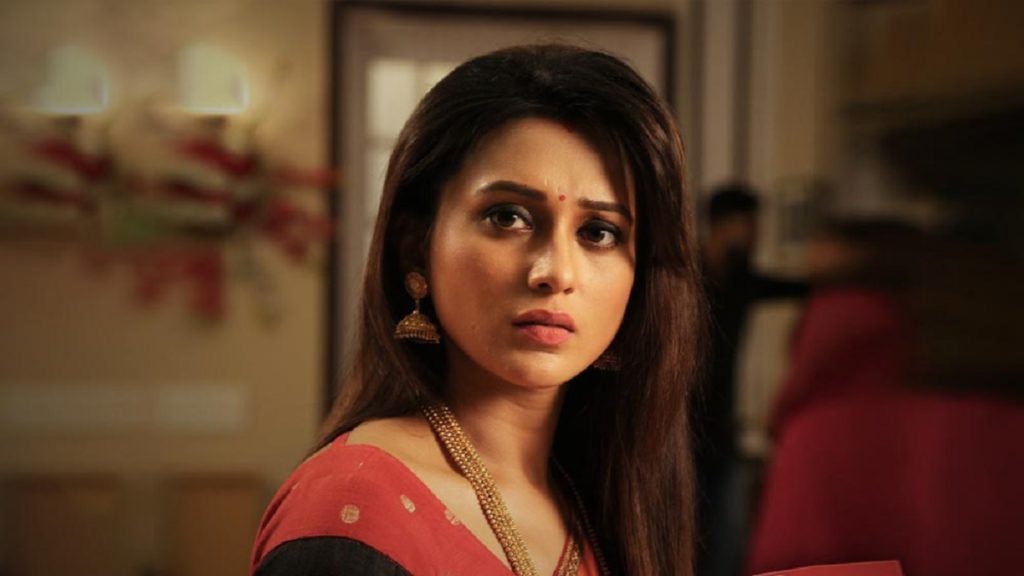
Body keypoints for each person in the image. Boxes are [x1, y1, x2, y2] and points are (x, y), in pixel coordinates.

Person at [250, 44, 706, 576]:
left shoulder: (599, 501)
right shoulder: (355, 508)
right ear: (415, 246)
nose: (556, 272)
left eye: (599, 233)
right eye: (507, 217)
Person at [692, 184, 806, 576]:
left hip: (722, 427)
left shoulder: (742, 281)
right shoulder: (685, 277)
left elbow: (794, 287)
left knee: (727, 536)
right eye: (748, 226)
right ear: (719, 225)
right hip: (679, 425)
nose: (755, 236)